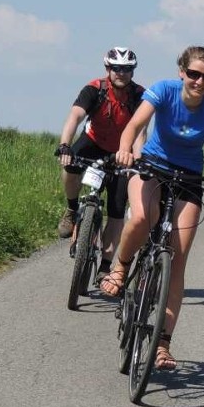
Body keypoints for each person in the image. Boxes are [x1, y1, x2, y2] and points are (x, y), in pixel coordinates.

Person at [99, 45, 204, 370]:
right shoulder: (164, 90)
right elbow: (136, 124)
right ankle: (120, 267)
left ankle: (162, 346)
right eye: (193, 74)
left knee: (177, 259)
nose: (199, 81)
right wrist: (125, 150)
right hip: (152, 165)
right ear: (182, 72)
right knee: (140, 217)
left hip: (189, 176)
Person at [56, 46, 146, 282]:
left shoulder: (139, 95)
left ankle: (105, 265)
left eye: (127, 69)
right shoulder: (94, 89)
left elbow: (140, 132)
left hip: (122, 151)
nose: (121, 73)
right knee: (70, 163)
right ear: (108, 68)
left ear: (132, 71)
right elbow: (75, 116)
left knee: (117, 210)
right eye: (116, 68)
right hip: (94, 141)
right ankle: (72, 208)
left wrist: (137, 159)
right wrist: (65, 144)